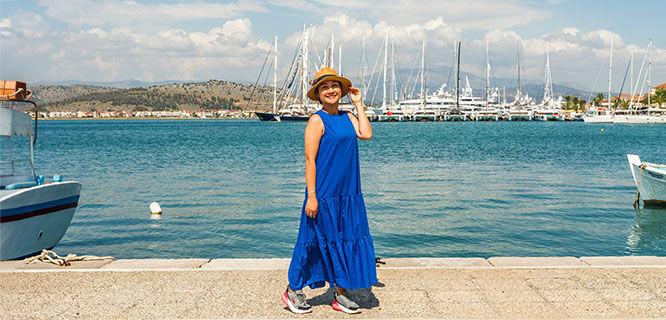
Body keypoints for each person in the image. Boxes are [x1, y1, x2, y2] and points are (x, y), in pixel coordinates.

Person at [281, 67, 377, 314]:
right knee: (312, 241)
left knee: (346, 239)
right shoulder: (317, 120)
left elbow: (366, 134)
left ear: (341, 91)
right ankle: (292, 292)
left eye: (334, 86)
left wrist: (358, 104)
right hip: (323, 195)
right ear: (318, 94)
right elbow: (310, 160)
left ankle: (341, 293)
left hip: (349, 195)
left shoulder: (348, 117)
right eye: (324, 87)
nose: (330, 90)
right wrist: (311, 196)